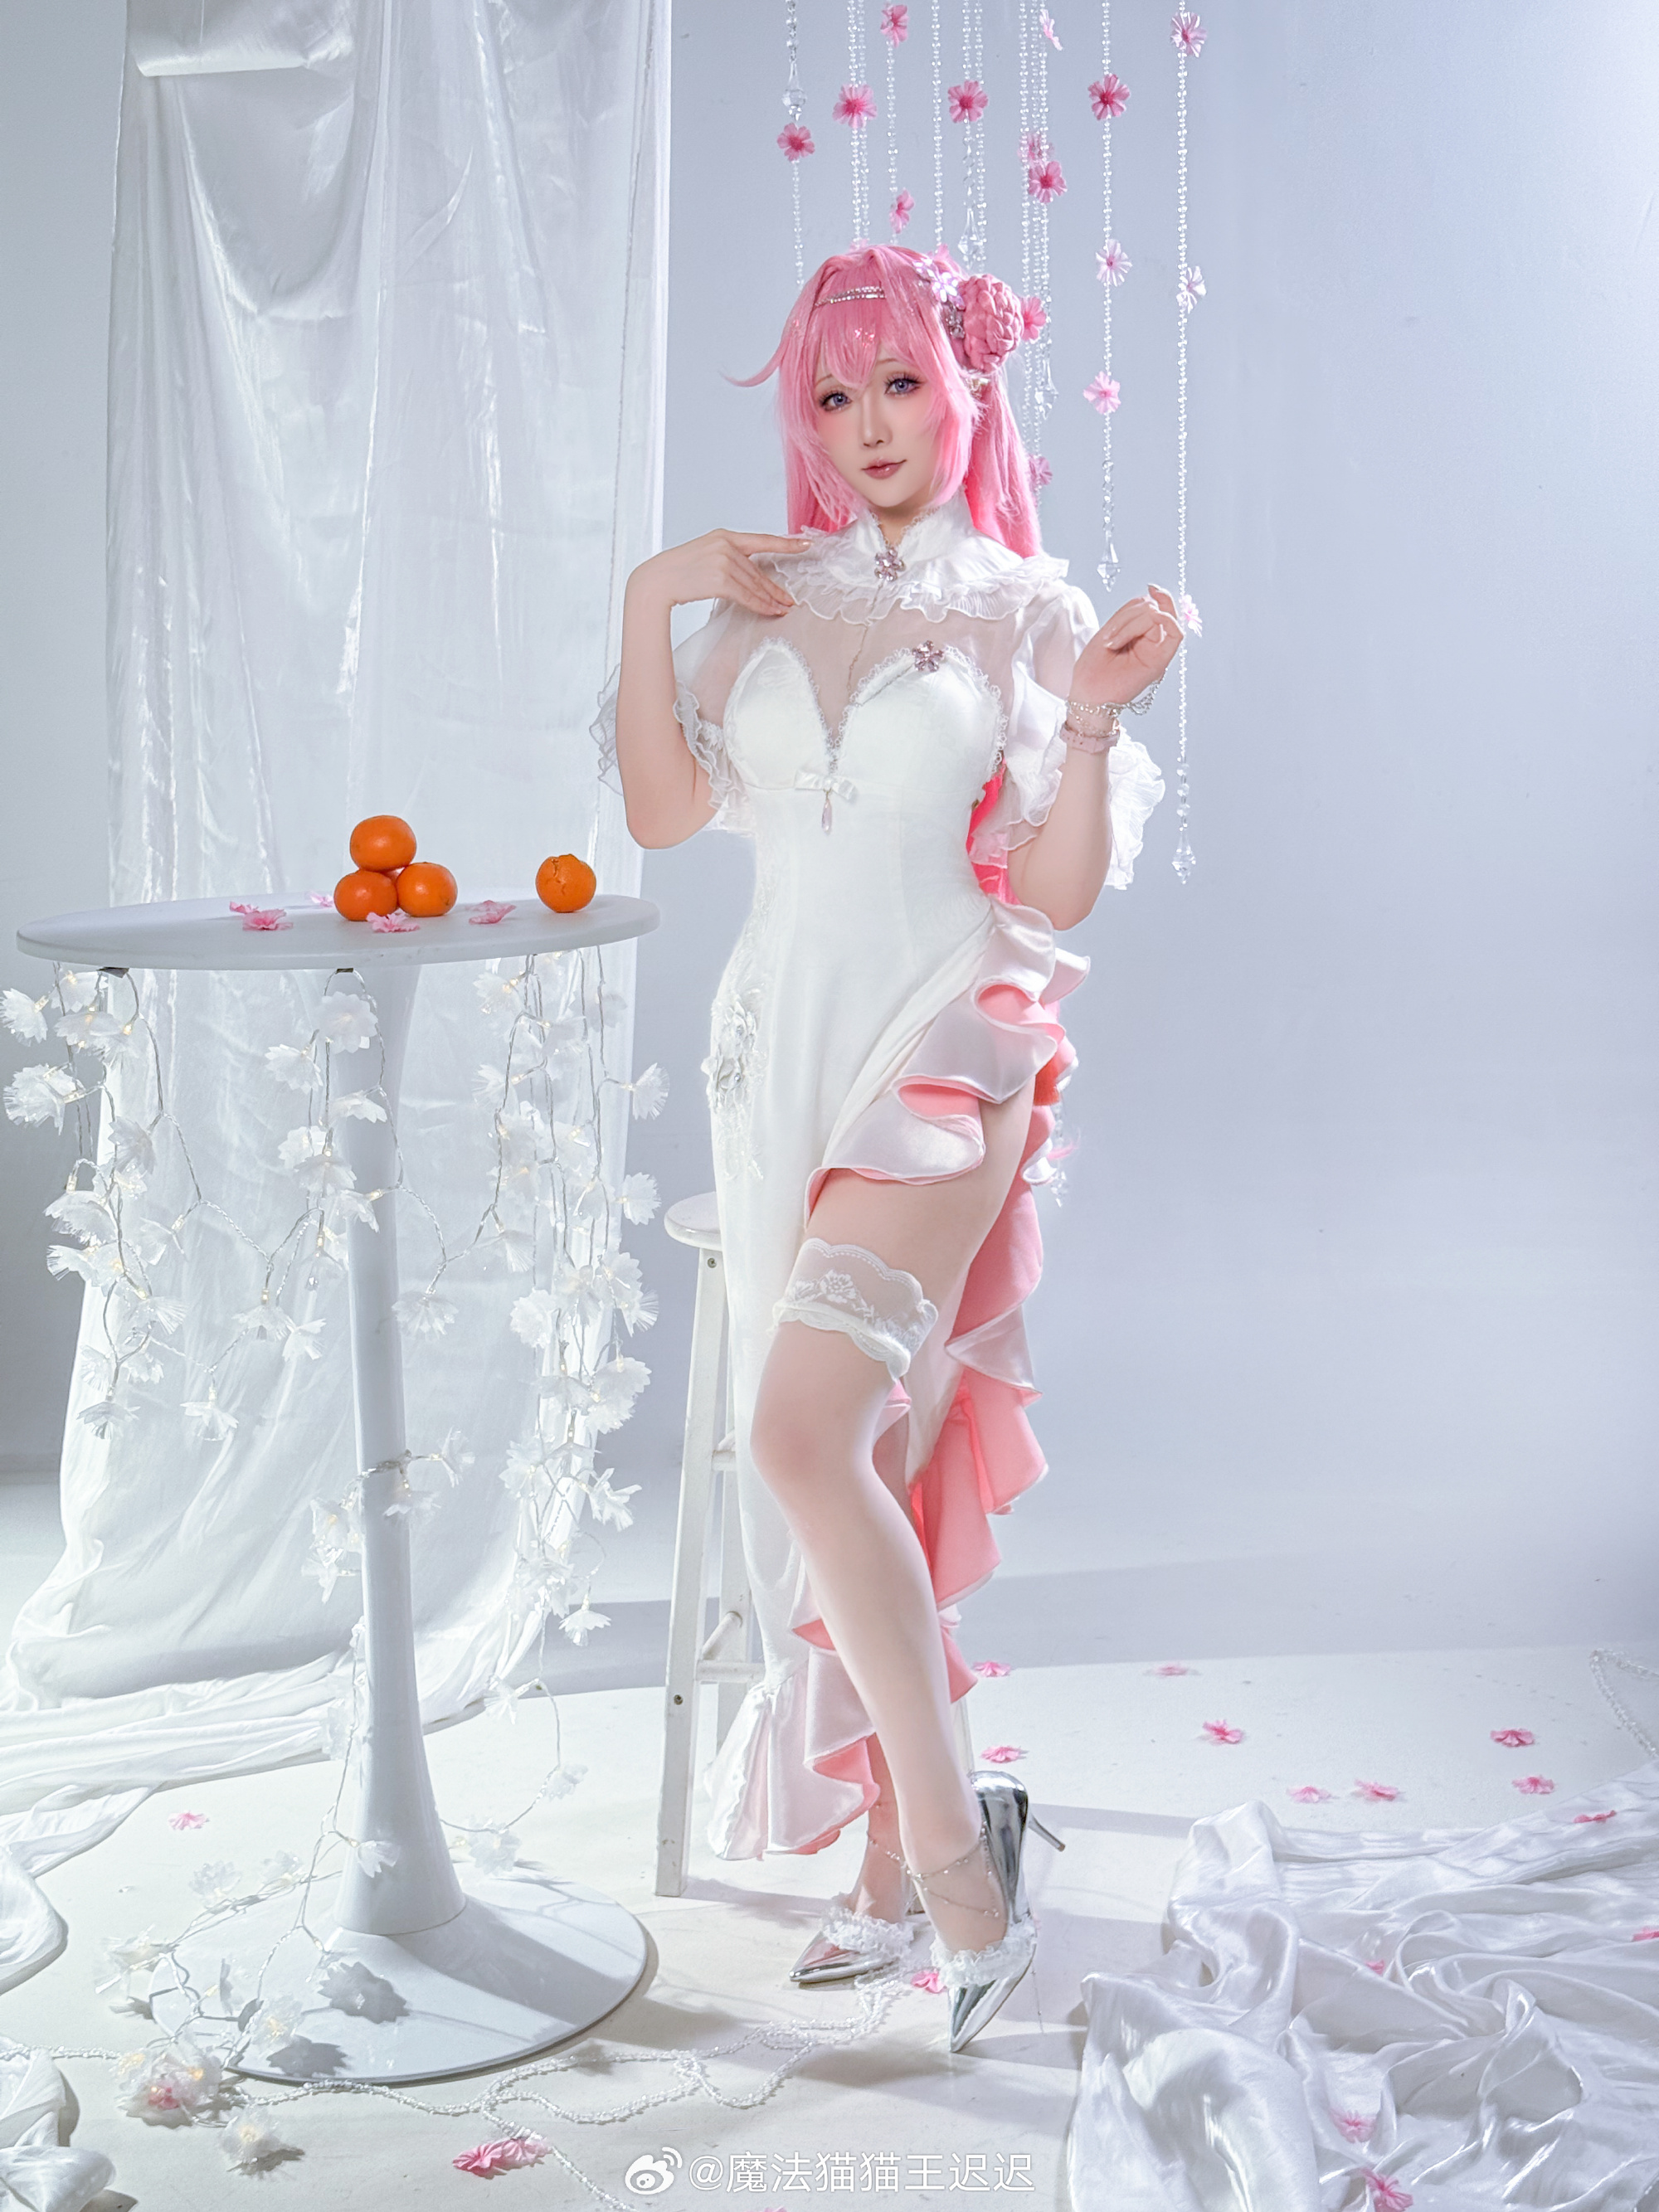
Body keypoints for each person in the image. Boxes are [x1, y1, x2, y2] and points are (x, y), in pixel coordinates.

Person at [599, 241, 1182, 2051]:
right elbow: (664, 813)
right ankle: (887, 1843)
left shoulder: (1023, 608)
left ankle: (953, 1874)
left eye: (903, 383)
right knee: (863, 1451)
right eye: (834, 392)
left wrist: (1095, 716)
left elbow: (1057, 892)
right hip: (774, 1045)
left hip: (948, 1038)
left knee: (799, 1431)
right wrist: (652, 593)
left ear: (968, 390)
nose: (867, 424)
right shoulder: (758, 601)